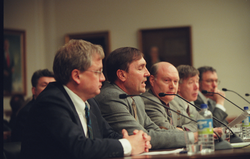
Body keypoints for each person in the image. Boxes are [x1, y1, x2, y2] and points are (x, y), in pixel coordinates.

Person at [21, 39, 151, 159]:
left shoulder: (89, 101)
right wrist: (128, 145)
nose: (103, 78)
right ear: (76, 76)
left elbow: (108, 134)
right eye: (98, 71)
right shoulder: (50, 102)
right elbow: (79, 148)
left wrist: (137, 140)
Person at [95, 47, 192, 150]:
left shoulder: (136, 97)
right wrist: (193, 137)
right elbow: (142, 138)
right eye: (141, 68)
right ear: (122, 75)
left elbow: (155, 130)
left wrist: (194, 136)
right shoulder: (111, 97)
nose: (147, 73)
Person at [142, 62, 198, 132]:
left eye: (175, 81)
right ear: (152, 80)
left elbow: (195, 123)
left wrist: (181, 129)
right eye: (167, 80)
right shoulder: (148, 102)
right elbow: (168, 133)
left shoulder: (174, 102)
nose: (172, 86)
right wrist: (183, 130)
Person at [11, 69, 55, 142]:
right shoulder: (28, 112)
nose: (50, 89)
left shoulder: (57, 108)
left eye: (53, 85)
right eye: (44, 85)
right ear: (34, 90)